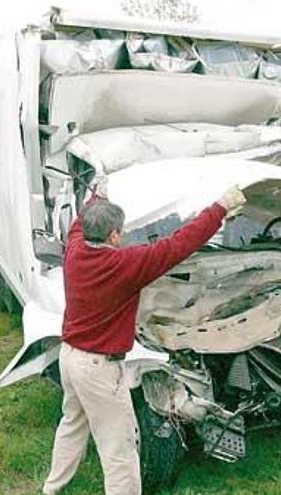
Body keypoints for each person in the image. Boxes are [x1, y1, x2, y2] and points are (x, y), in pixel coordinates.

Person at [42, 184, 247, 495]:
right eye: (119, 232)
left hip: (69, 358)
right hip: (98, 369)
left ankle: (52, 487)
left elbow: (78, 223)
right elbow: (180, 244)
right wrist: (218, 208)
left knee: (72, 423)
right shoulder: (125, 265)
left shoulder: (74, 250)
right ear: (113, 236)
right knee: (120, 450)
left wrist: (95, 197)